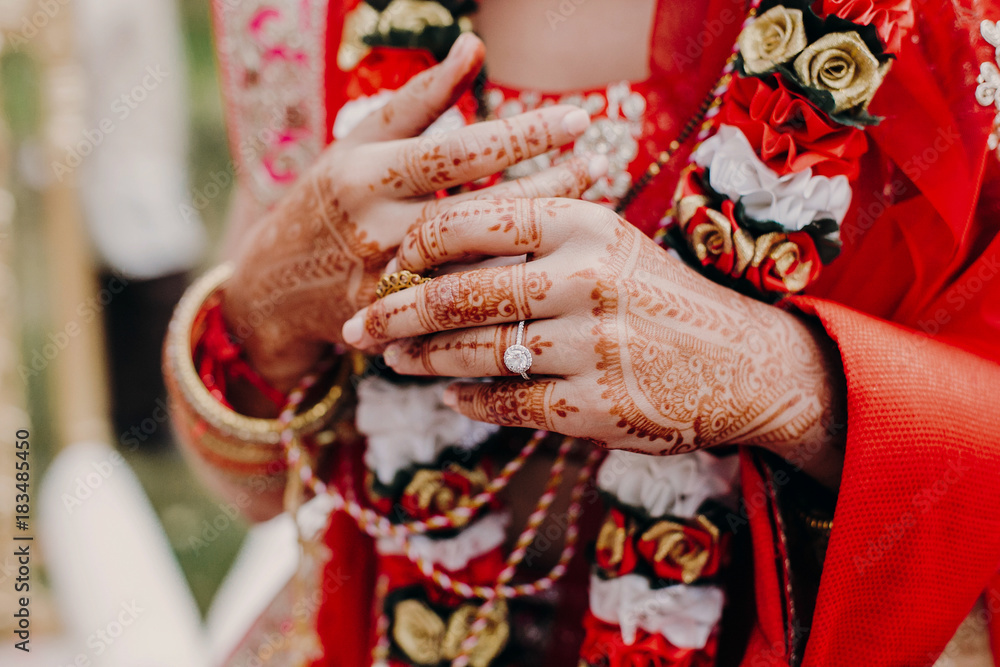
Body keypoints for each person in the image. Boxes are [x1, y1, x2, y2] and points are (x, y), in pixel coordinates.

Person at [163, 0, 1000, 665]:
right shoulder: (306, 15)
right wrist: (267, 306)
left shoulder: (955, 27)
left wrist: (788, 381)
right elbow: (259, 490)